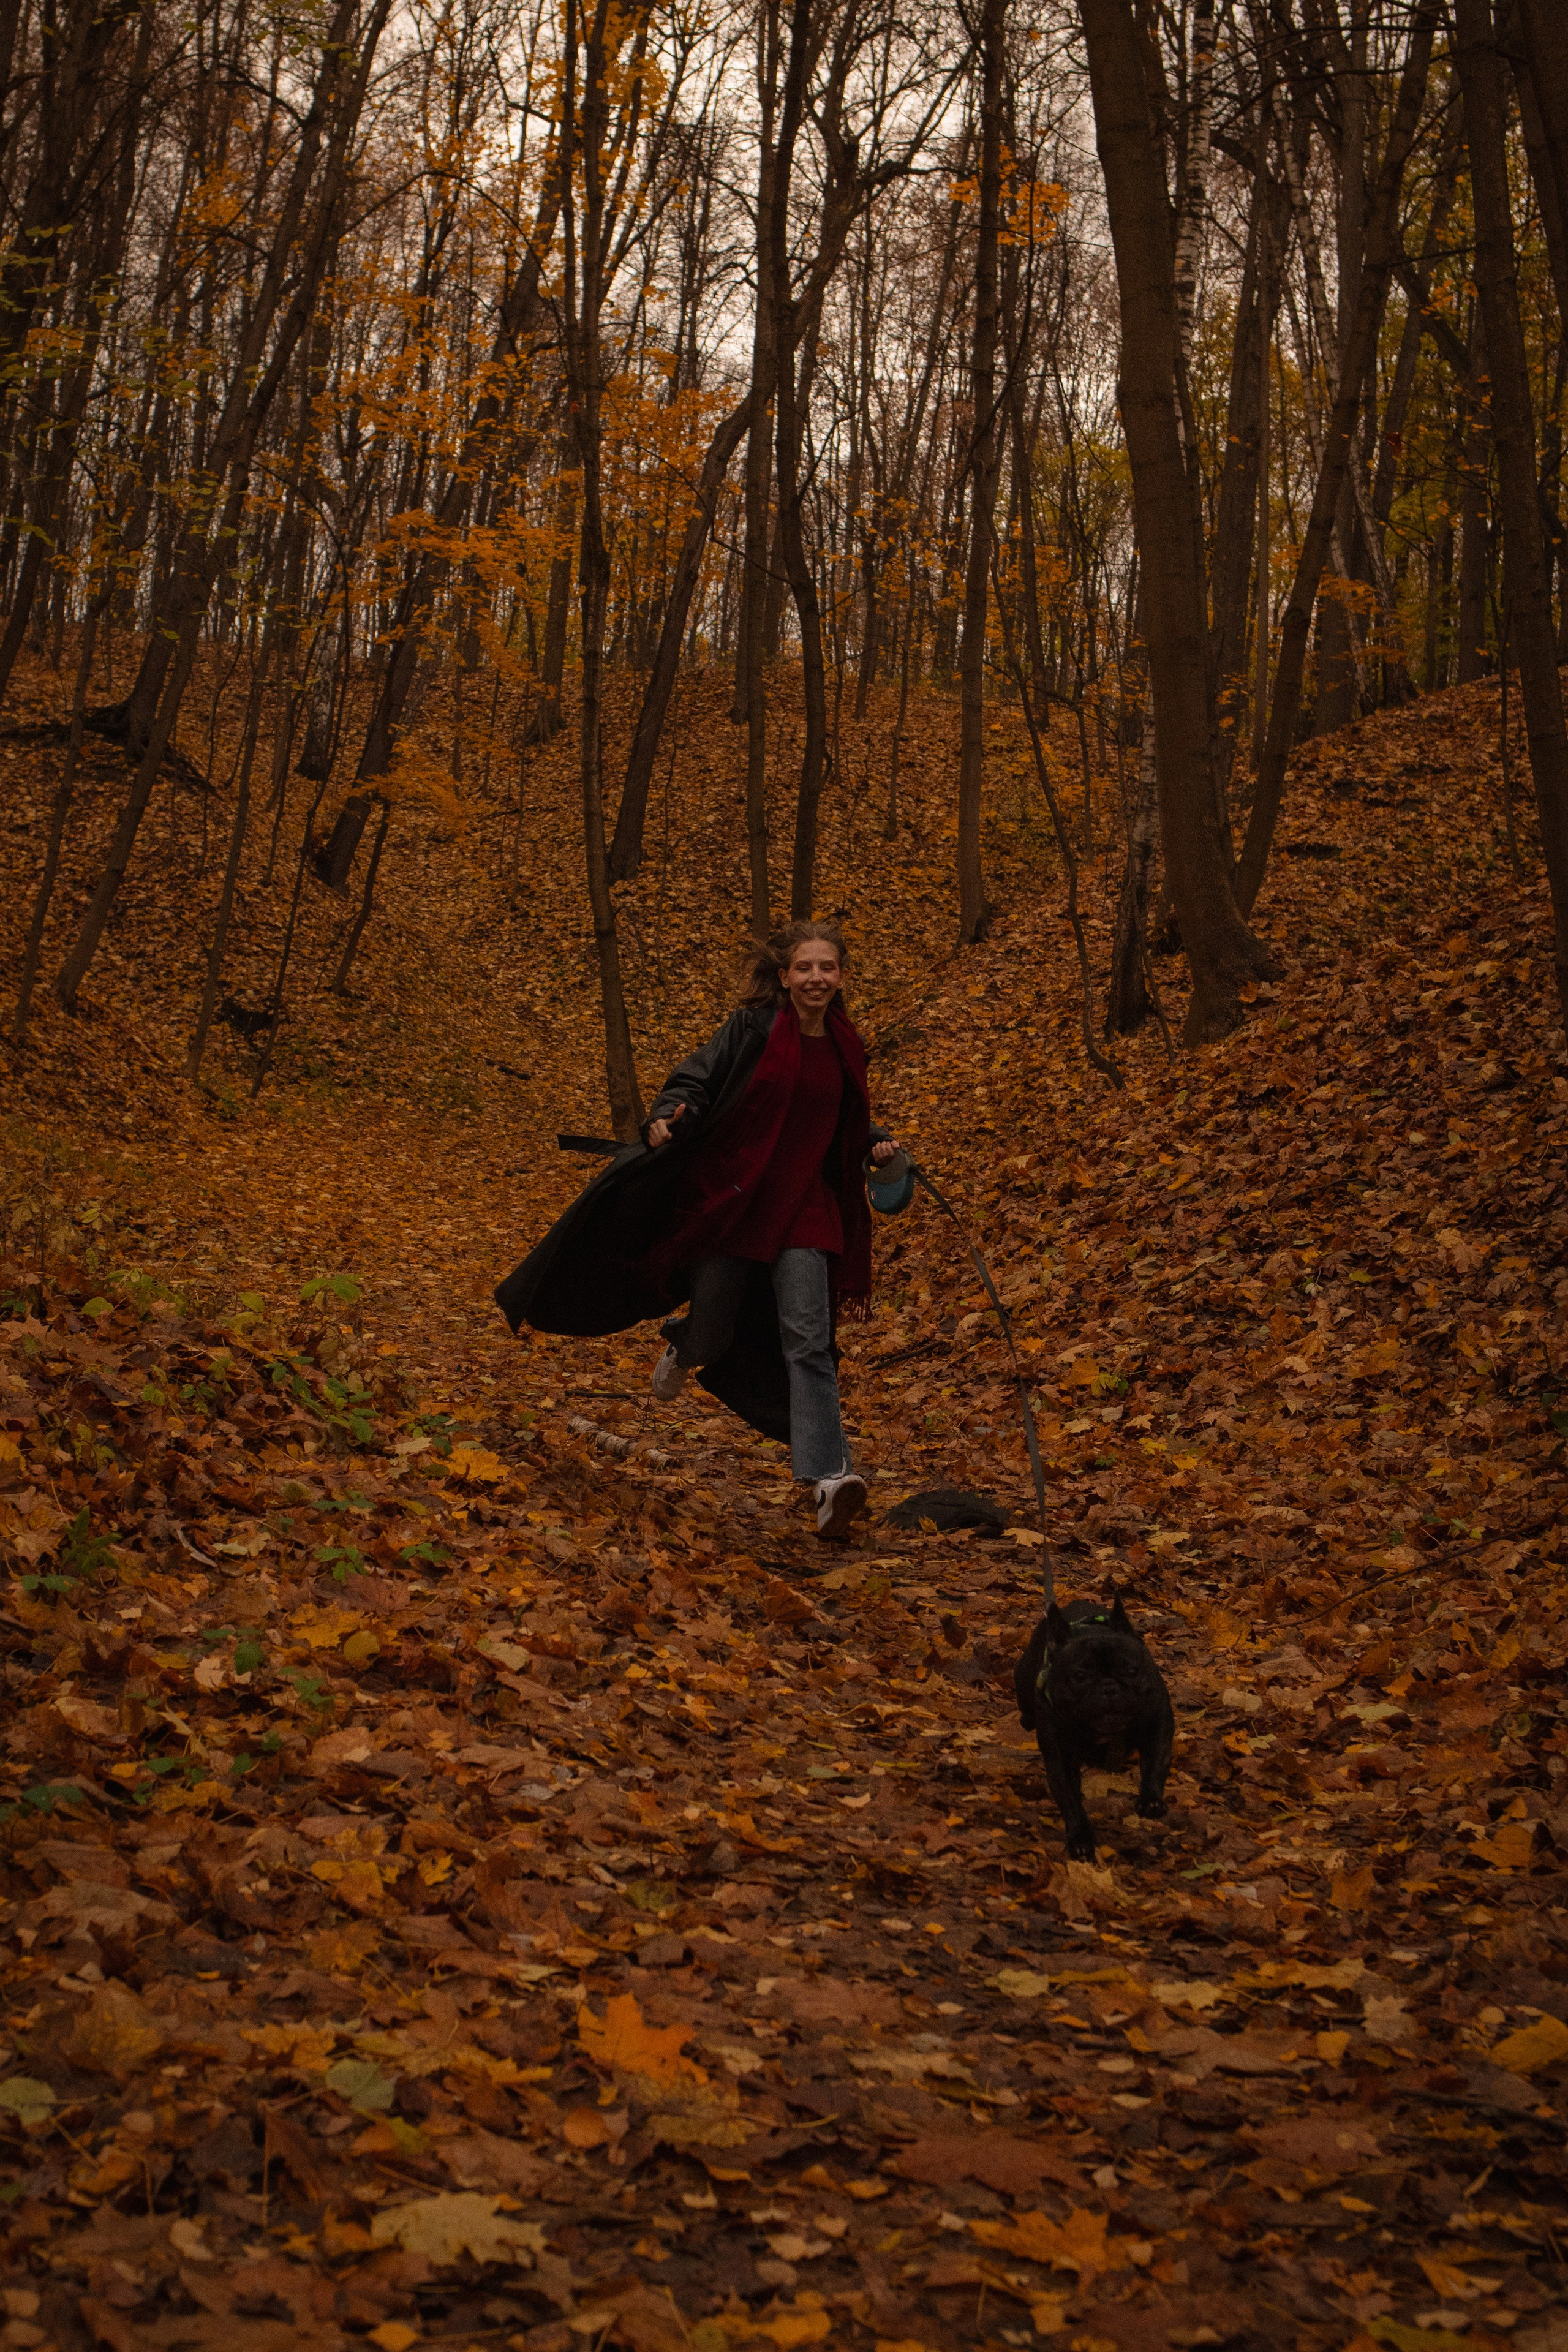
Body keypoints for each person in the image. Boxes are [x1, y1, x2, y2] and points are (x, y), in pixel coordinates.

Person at [495, 921, 900, 1540]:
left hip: (807, 1209)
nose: (817, 977)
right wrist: (668, 1115)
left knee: (810, 1341)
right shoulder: (751, 1030)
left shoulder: (847, 1044)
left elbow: (841, 1118)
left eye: (827, 967)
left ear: (841, 975)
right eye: (805, 967)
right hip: (736, 1200)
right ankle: (684, 1344)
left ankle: (828, 1480)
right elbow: (696, 1081)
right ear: (785, 976)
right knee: (711, 1336)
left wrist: (876, 1142)